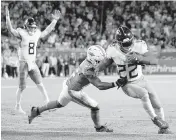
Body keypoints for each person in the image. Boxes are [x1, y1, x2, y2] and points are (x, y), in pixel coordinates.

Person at [28, 45, 127, 132]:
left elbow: (101, 66)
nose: (100, 62)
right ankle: (99, 127)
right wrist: (115, 83)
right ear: (93, 58)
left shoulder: (88, 62)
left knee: (59, 103)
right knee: (95, 107)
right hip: (73, 91)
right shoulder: (88, 69)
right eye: (98, 60)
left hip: (68, 85)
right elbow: (99, 85)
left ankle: (36, 111)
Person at [95, 26, 172, 134]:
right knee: (144, 94)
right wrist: (96, 69)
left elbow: (154, 60)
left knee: (157, 103)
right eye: (125, 44)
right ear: (118, 43)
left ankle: (163, 129)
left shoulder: (139, 45)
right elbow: (105, 64)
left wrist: (140, 59)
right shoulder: (113, 49)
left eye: (130, 42)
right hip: (127, 83)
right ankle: (155, 119)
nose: (129, 46)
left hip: (141, 79)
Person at [5, 5, 61, 114]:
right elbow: (11, 30)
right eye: (30, 27)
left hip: (32, 63)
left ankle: (47, 104)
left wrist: (54, 21)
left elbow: (46, 31)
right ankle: (17, 106)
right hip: (23, 63)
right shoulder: (22, 33)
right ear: (26, 26)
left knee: (40, 84)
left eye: (33, 27)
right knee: (22, 87)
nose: (32, 29)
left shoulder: (36, 33)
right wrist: (7, 17)